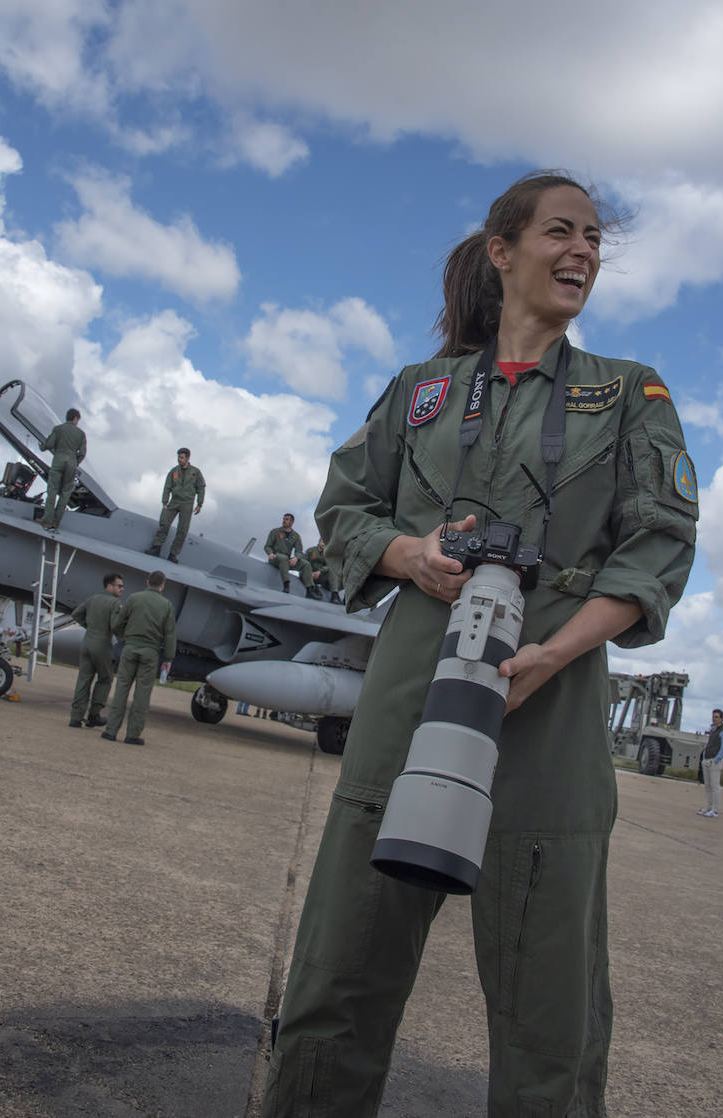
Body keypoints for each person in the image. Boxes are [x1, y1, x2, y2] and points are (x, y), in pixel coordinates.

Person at [260, 171, 698, 1118]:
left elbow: (658, 541)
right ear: (502, 252)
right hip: (405, 709)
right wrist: (407, 552)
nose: (581, 250)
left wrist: (553, 651)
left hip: (549, 714)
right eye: (559, 232)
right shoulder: (420, 394)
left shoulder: (626, 393)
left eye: (592, 238)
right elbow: (344, 510)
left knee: (553, 1022)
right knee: (337, 985)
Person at [101, 570, 176, 746]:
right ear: (162, 585)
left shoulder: (134, 598)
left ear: (147, 582)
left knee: (121, 689)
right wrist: (169, 658)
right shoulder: (166, 605)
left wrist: (124, 638)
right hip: (150, 653)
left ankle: (111, 731)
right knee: (142, 694)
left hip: (130, 648)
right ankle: (132, 735)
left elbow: (118, 623)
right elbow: (170, 634)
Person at [68, 572, 124, 728]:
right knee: (106, 678)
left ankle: (75, 717)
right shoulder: (115, 604)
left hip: (87, 642)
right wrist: (124, 639)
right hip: (102, 645)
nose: (122, 589)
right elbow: (115, 625)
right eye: (119, 586)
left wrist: (90, 626)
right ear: (110, 586)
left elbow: (76, 614)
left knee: (83, 679)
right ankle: (94, 715)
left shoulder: (92, 599)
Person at [146, 448, 206, 563]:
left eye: (182, 457)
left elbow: (201, 488)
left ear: (188, 458)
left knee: (182, 530)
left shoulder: (195, 472)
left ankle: (173, 554)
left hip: (187, 504)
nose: (179, 460)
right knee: (164, 524)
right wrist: (164, 502)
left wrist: (199, 504)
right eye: (178, 457)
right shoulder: (173, 471)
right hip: (174, 501)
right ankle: (156, 548)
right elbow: (167, 487)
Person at [39, 408, 86, 529]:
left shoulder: (58, 429)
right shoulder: (81, 434)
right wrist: (75, 462)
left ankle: (47, 519)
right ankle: (56, 521)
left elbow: (48, 445)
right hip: (71, 463)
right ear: (75, 418)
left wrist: (41, 446)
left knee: (52, 490)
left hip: (58, 460)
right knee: (65, 493)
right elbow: (82, 453)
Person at [264, 514, 318, 596]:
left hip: (286, 560)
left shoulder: (296, 536)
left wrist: (296, 558)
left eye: (287, 519)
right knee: (283, 558)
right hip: (275, 557)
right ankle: (286, 585)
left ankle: (309, 589)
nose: (284, 521)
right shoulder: (275, 532)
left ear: (292, 522)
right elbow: (267, 546)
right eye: (283, 519)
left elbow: (299, 551)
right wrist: (270, 553)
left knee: (306, 564)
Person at [698, 708, 723, 817]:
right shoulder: (712, 730)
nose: (714, 719)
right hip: (706, 760)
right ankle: (708, 807)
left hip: (714, 762)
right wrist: (703, 756)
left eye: (716, 717)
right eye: (713, 717)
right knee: (707, 786)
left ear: (721, 719)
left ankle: (715, 810)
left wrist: (717, 759)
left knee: (715, 786)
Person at [307, 538, 341, 604]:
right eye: (323, 542)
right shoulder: (310, 550)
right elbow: (304, 561)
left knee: (333, 570)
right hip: (309, 575)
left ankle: (334, 594)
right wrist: (310, 573)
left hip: (320, 576)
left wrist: (320, 571)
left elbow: (330, 565)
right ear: (319, 542)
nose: (324, 544)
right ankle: (311, 589)